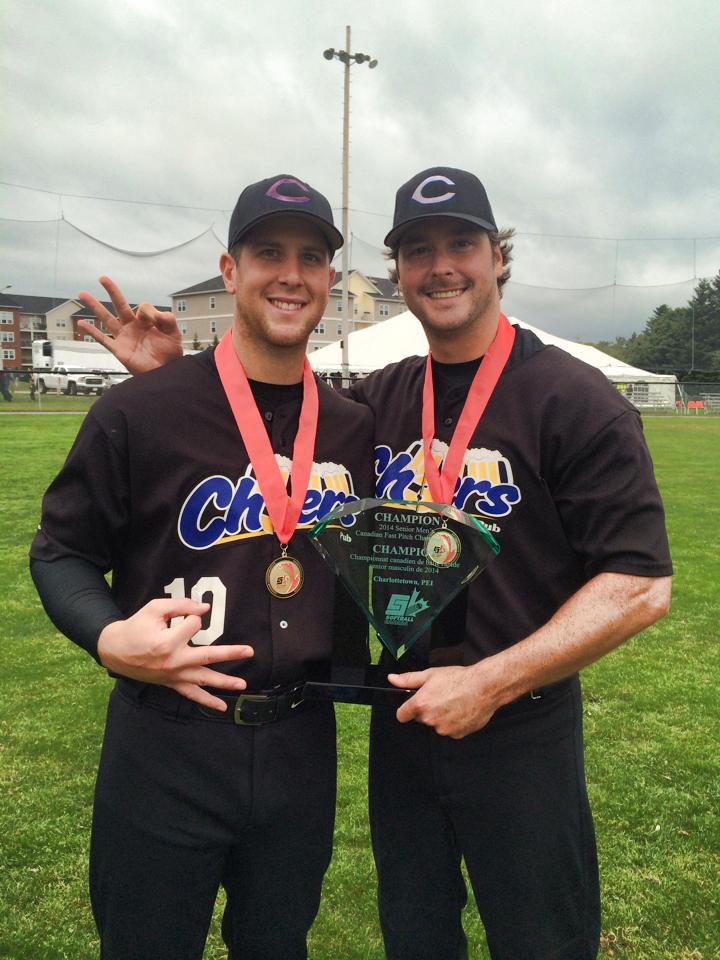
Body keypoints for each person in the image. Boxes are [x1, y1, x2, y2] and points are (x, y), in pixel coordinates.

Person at [76, 167, 673, 960]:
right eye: (418, 250)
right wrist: (173, 375)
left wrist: (491, 682)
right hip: (406, 724)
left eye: (462, 243)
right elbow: (266, 406)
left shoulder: (573, 398)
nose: (442, 265)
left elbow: (640, 587)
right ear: (397, 271)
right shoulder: (378, 400)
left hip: (518, 726)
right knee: (416, 936)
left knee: (542, 939)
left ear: (499, 257)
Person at [30, 174, 373, 960]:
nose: (291, 273)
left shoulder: (354, 427)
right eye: (268, 253)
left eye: (312, 257)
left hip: (299, 743)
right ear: (229, 270)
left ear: (328, 281)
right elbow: (62, 551)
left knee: (278, 944)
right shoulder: (138, 411)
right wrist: (107, 637)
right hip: (167, 742)